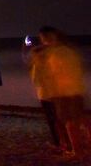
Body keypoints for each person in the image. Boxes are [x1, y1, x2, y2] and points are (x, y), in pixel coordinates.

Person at [37, 27, 88, 159]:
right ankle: (82, 147)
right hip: (75, 90)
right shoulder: (69, 51)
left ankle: (77, 151)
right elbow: (77, 70)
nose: (43, 42)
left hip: (63, 92)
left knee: (70, 123)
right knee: (79, 119)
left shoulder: (56, 53)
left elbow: (52, 74)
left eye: (44, 38)